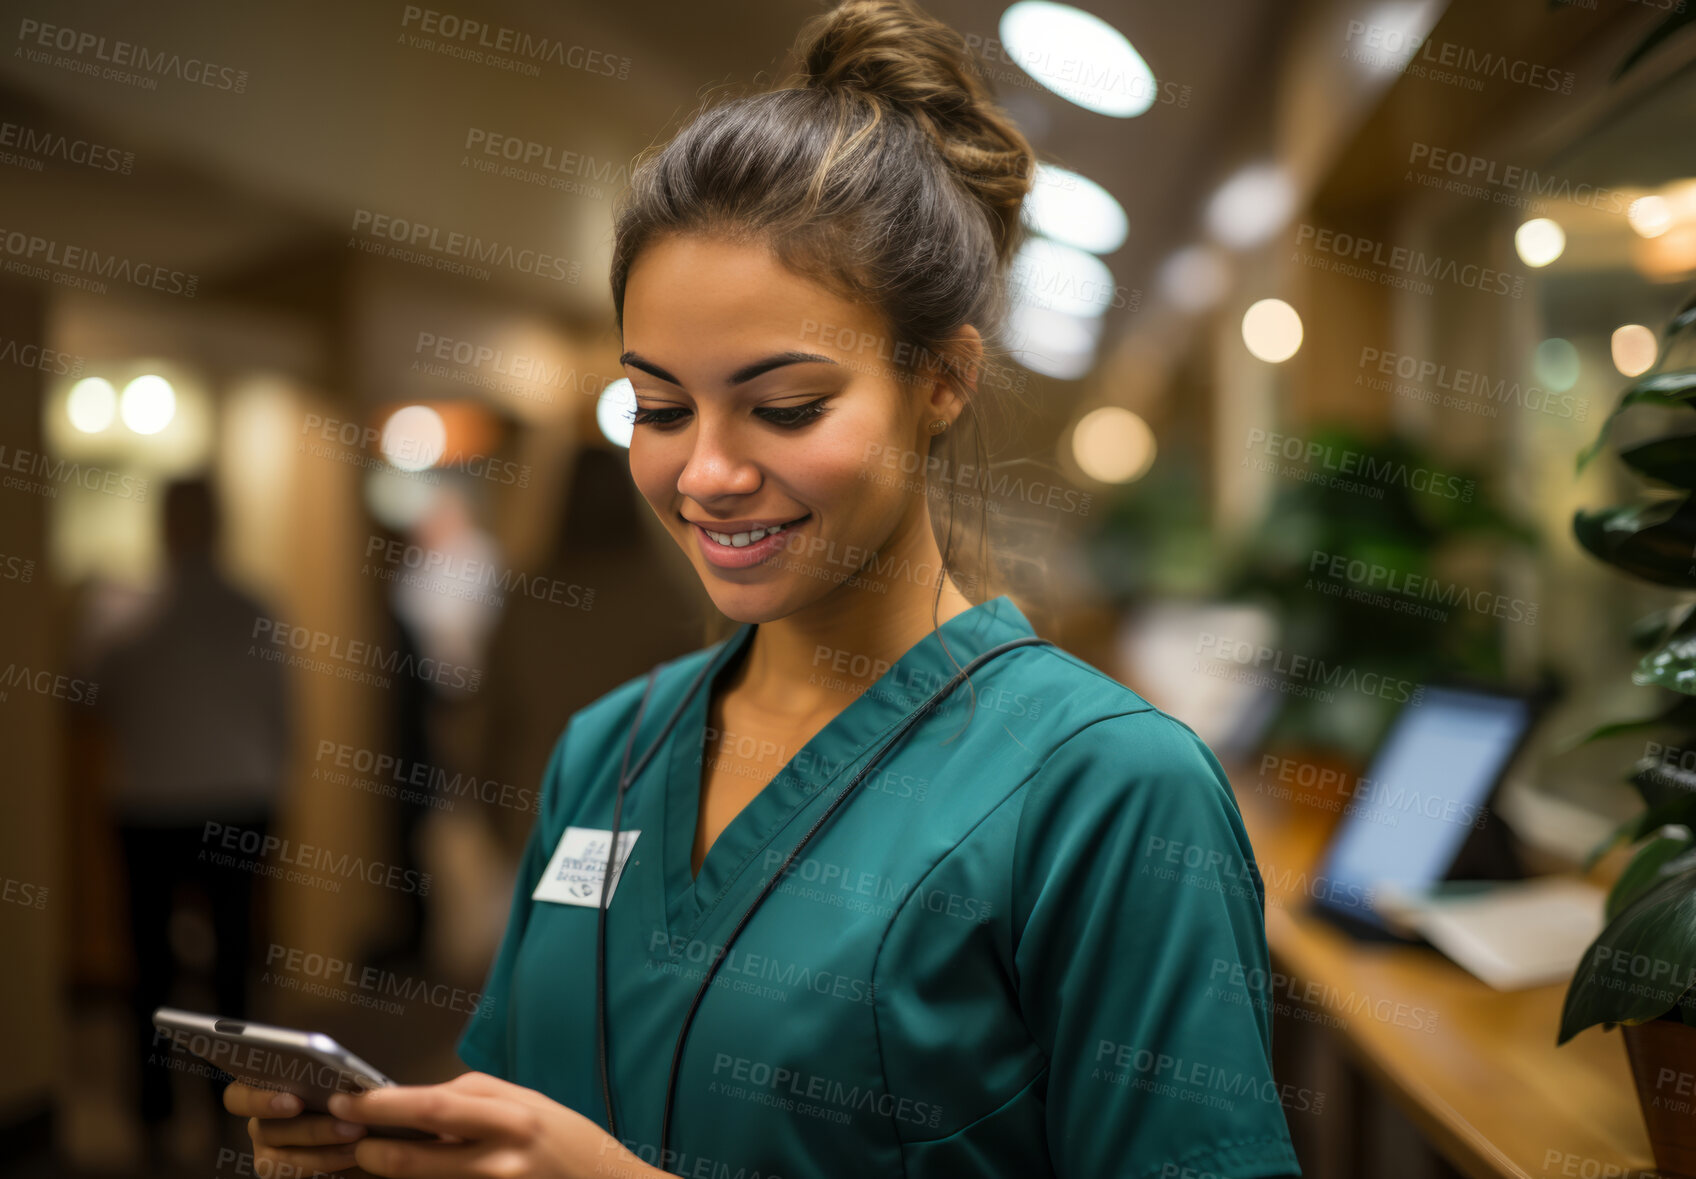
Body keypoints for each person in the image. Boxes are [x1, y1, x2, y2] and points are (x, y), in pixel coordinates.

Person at [224, 2, 1303, 1176]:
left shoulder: (1108, 795)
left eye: (785, 407)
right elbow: (522, 1114)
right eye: (659, 409)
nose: (707, 475)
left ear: (942, 378)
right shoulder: (610, 753)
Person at [93, 477, 291, 1168]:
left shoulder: (123, 614)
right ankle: (228, 1108)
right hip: (238, 797)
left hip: (149, 803)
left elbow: (90, 696)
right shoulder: (253, 609)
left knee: (149, 968)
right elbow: (282, 716)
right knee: (232, 964)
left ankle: (154, 1113)